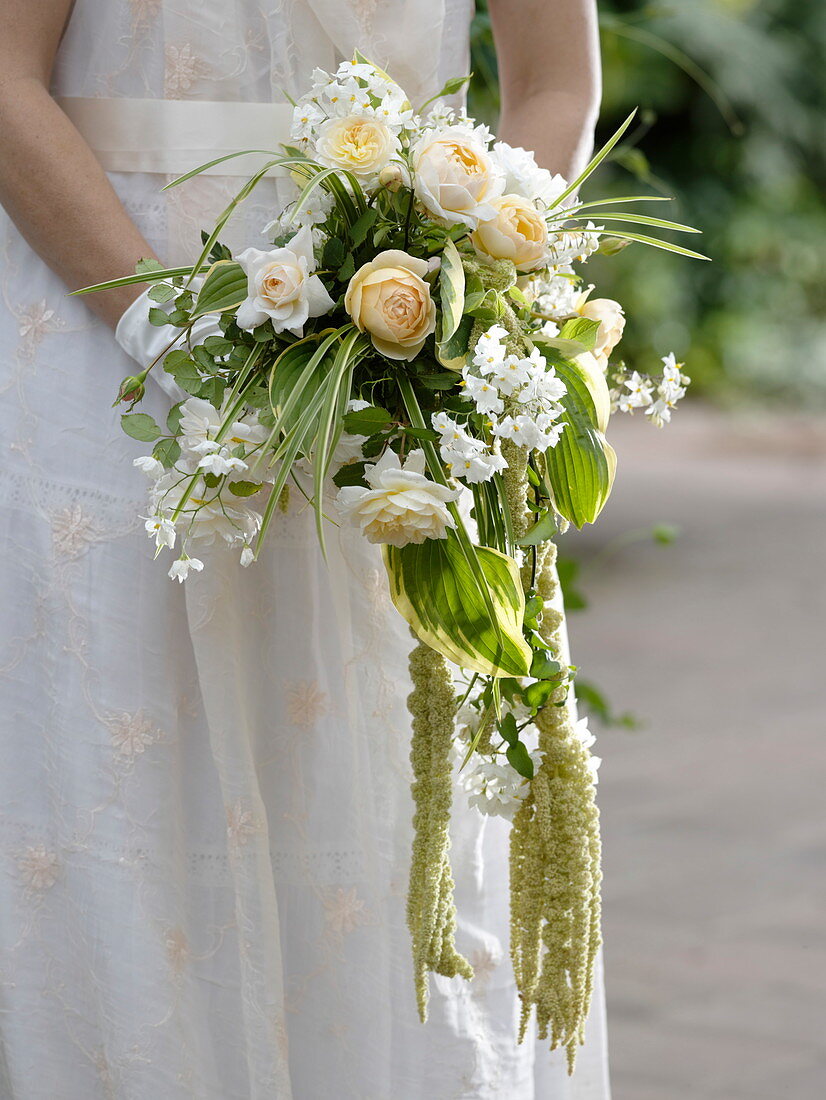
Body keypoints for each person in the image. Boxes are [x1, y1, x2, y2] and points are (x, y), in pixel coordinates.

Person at [0, 1, 609, 1096]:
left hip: (396, 365)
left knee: (385, 823)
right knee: (129, 813)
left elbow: (554, 78)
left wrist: (480, 271)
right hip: (109, 348)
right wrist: (161, 329)